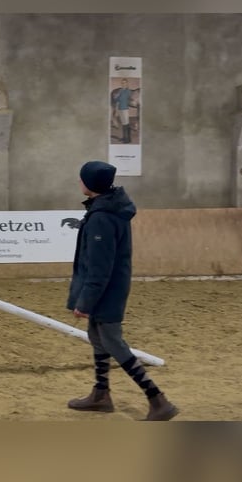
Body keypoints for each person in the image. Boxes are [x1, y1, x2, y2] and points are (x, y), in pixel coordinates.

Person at [66, 161, 179, 421]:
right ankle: (101, 393)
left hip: (107, 290)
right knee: (96, 336)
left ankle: (157, 399)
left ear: (90, 184)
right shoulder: (106, 208)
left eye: (82, 179)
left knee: (113, 342)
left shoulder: (102, 219)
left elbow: (99, 267)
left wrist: (85, 301)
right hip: (109, 288)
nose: (79, 182)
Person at [111, 78, 134, 143]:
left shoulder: (128, 91)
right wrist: (117, 96)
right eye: (122, 83)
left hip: (125, 109)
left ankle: (128, 139)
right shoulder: (120, 91)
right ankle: (124, 138)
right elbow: (117, 99)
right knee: (123, 124)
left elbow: (129, 99)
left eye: (124, 83)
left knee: (126, 124)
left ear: (127, 84)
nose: (123, 84)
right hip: (120, 109)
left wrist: (121, 93)